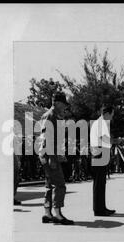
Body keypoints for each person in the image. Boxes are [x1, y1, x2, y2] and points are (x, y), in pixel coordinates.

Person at [38, 92, 74, 225]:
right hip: (49, 154)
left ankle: (47, 214)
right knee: (60, 185)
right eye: (64, 104)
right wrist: (53, 157)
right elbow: (48, 138)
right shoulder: (51, 116)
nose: (65, 107)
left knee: (49, 185)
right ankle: (58, 215)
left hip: (47, 154)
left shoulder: (50, 115)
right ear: (57, 103)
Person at [90, 105, 116, 216]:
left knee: (101, 183)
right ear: (106, 114)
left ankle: (101, 207)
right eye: (111, 115)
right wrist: (115, 141)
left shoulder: (99, 123)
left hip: (99, 154)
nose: (112, 118)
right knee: (99, 183)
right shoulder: (100, 123)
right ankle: (99, 210)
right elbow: (103, 138)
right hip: (99, 154)